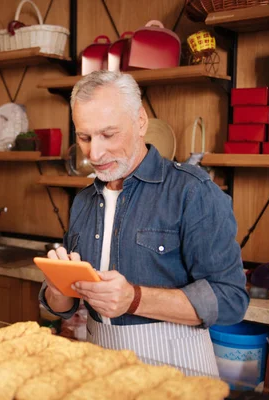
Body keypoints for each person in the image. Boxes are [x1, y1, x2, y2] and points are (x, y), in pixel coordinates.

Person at [40, 70, 249, 376]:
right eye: (84, 137)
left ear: (140, 121)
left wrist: (134, 299)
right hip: (101, 362)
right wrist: (57, 292)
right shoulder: (84, 200)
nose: (94, 154)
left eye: (108, 135)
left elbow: (231, 300)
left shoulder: (191, 191)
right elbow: (63, 305)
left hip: (177, 366)